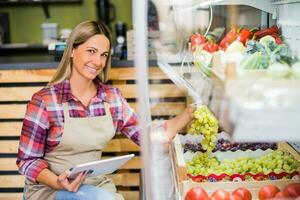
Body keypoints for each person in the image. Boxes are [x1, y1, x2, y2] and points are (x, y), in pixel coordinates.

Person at [17, 20, 195, 200]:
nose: (97, 61)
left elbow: (147, 136)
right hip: (49, 190)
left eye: (103, 55)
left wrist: (190, 112)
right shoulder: (45, 101)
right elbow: (27, 161)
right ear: (72, 51)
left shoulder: (111, 98)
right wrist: (57, 182)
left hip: (93, 185)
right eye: (91, 51)